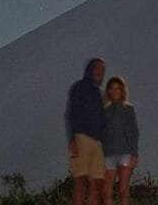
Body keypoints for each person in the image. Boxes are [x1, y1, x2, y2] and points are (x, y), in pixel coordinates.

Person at [65, 58, 107, 205]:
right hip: (81, 138)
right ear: (90, 69)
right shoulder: (80, 87)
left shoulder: (98, 93)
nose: (99, 73)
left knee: (97, 183)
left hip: (97, 142)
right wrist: (73, 139)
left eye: (102, 71)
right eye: (97, 69)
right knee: (80, 182)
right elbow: (72, 113)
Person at [101, 76, 139, 205]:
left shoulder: (128, 109)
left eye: (118, 88)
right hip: (109, 154)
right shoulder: (105, 110)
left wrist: (134, 154)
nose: (115, 91)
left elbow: (134, 132)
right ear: (108, 91)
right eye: (112, 88)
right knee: (106, 192)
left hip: (125, 153)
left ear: (122, 90)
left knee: (124, 190)